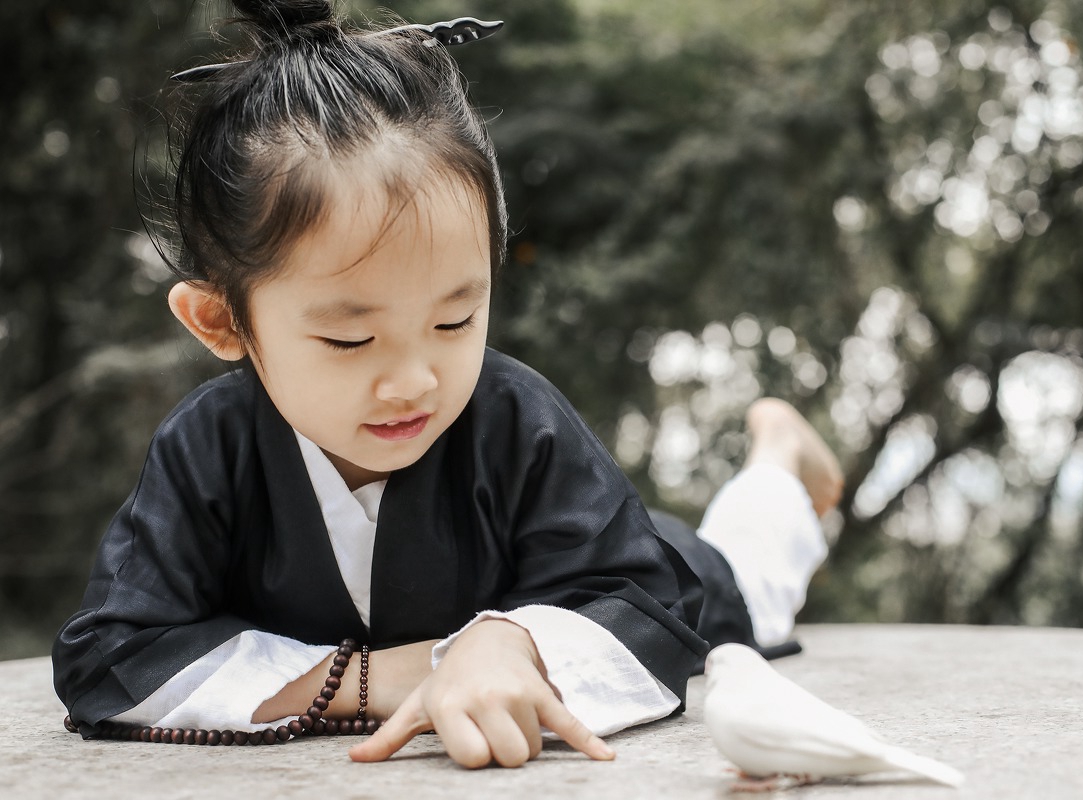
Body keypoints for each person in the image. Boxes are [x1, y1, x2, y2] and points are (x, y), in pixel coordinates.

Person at [52, 0, 843, 769]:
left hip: (661, 560)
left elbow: (646, 606)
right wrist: (405, 672)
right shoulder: (207, 449)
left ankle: (775, 464)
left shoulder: (516, 419)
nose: (413, 380)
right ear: (222, 322)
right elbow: (110, 657)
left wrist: (511, 643)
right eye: (349, 338)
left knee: (747, 582)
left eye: (455, 322)